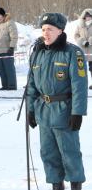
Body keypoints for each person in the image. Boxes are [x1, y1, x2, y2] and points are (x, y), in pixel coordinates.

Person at [27, 13, 87, 190]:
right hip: (43, 112)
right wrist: (31, 110)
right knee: (48, 154)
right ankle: (56, 186)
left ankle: (76, 186)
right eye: (43, 29)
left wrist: (78, 112)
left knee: (70, 154)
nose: (45, 33)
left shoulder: (72, 52)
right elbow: (31, 85)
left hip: (64, 112)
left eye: (50, 30)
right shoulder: (37, 53)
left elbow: (80, 85)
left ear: (60, 31)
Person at [0, 7, 18, 90]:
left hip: (7, 50)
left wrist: (12, 47)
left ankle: (12, 86)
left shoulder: (9, 23)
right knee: (1, 69)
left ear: (1, 15)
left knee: (9, 69)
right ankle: (5, 85)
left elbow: (14, 36)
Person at [74, 8, 92, 89]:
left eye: (89, 16)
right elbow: (76, 35)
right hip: (82, 50)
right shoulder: (80, 26)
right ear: (84, 17)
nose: (88, 18)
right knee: (81, 68)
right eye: (86, 16)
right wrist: (82, 41)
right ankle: (82, 84)